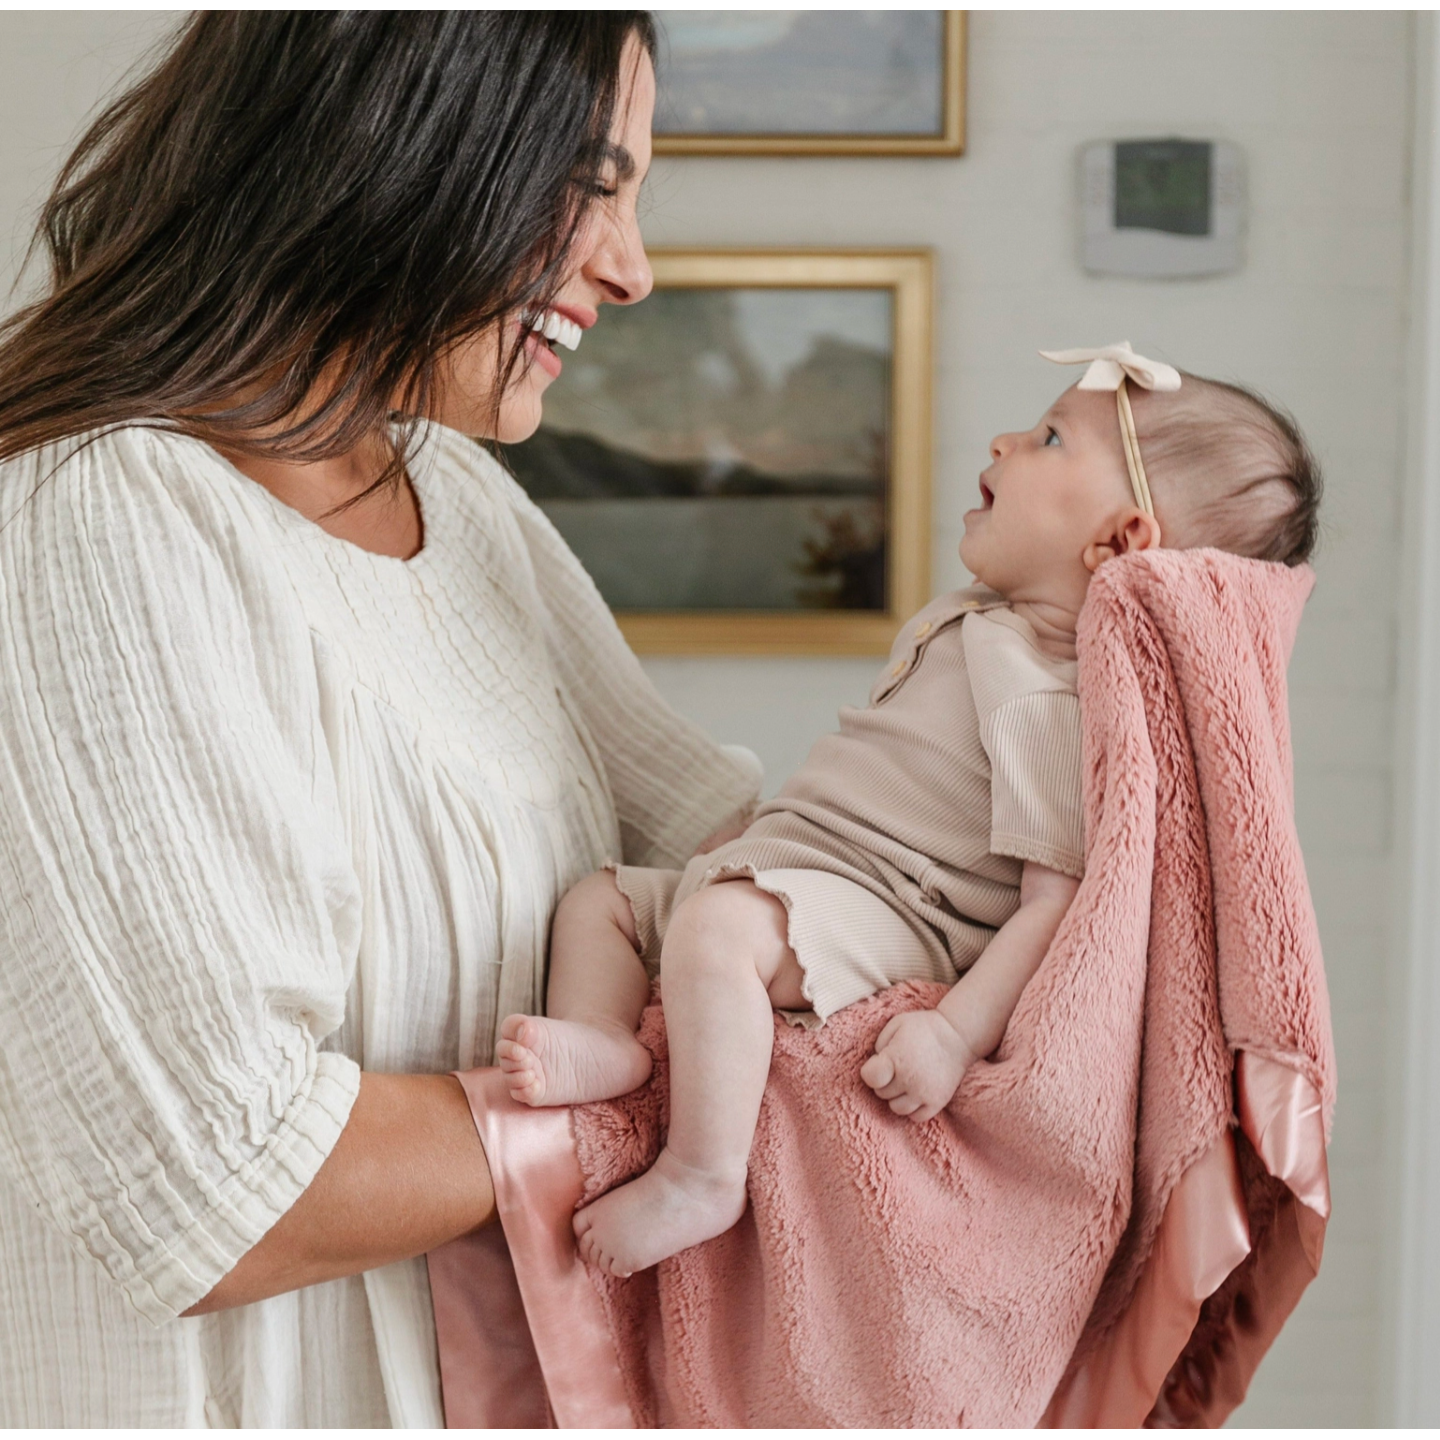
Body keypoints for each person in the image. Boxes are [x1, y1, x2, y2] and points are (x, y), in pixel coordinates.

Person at [0, 12, 761, 1427]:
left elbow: (742, 847)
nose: (633, 266)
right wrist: (673, 1106)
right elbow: (222, 1185)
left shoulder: (453, 494)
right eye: (589, 184)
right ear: (396, 142)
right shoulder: (89, 521)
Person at [498, 342, 1323, 1279]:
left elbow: (1054, 903)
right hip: (817, 866)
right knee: (598, 901)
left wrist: (953, 1030)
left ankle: (702, 1173)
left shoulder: (1052, 698)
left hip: (903, 910)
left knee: (719, 932)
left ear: (1121, 542)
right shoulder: (977, 623)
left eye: (1051, 438)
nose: (1008, 440)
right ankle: (611, 1043)